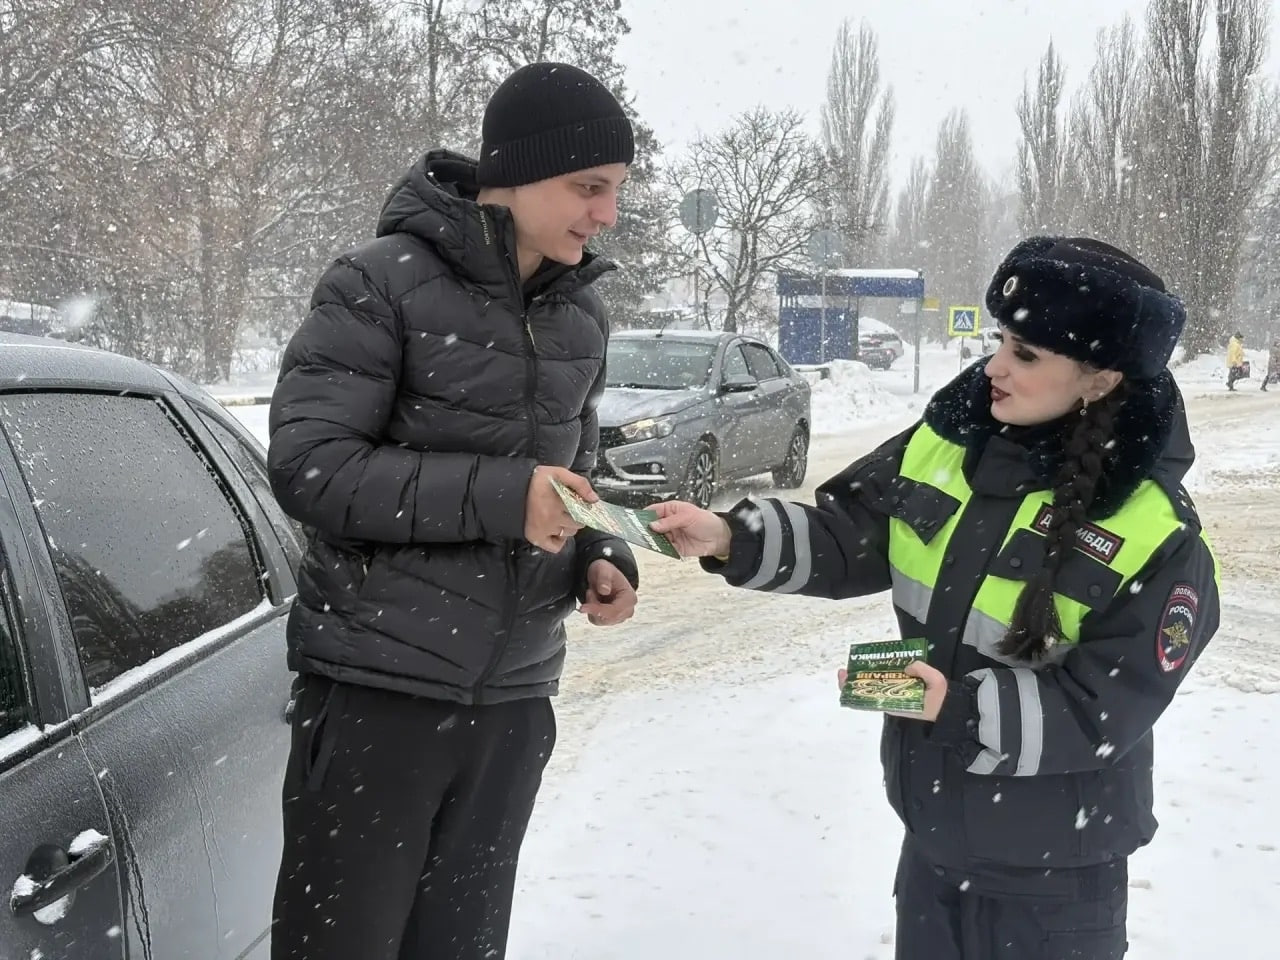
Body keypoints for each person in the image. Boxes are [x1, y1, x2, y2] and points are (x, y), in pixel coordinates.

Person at [649, 237, 1220, 960]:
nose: (995, 368)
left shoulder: (1154, 531)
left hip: (1057, 882)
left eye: (1027, 355)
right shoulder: (946, 444)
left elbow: (1105, 709)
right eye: (999, 342)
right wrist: (731, 537)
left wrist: (954, 706)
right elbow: (850, 534)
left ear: (1101, 381)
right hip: (932, 846)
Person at [267, 62, 641, 960]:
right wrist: (505, 498)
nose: (606, 215)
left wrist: (599, 551)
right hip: (379, 696)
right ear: (513, 174)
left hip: (511, 704)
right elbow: (312, 469)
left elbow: (574, 476)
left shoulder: (578, 316)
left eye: (617, 191)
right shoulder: (379, 283)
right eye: (588, 188)